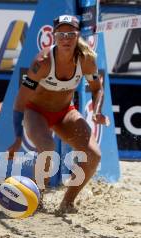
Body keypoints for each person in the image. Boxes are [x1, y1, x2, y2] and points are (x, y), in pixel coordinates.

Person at [7, 15, 109, 213]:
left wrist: (97, 112)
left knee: (94, 155)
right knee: (47, 147)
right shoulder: (42, 62)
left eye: (71, 33)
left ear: (78, 35)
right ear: (54, 36)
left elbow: (98, 88)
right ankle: (37, 198)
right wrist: (18, 138)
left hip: (64, 112)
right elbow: (20, 102)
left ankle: (67, 202)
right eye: (61, 33)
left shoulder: (86, 59)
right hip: (36, 112)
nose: (66, 38)